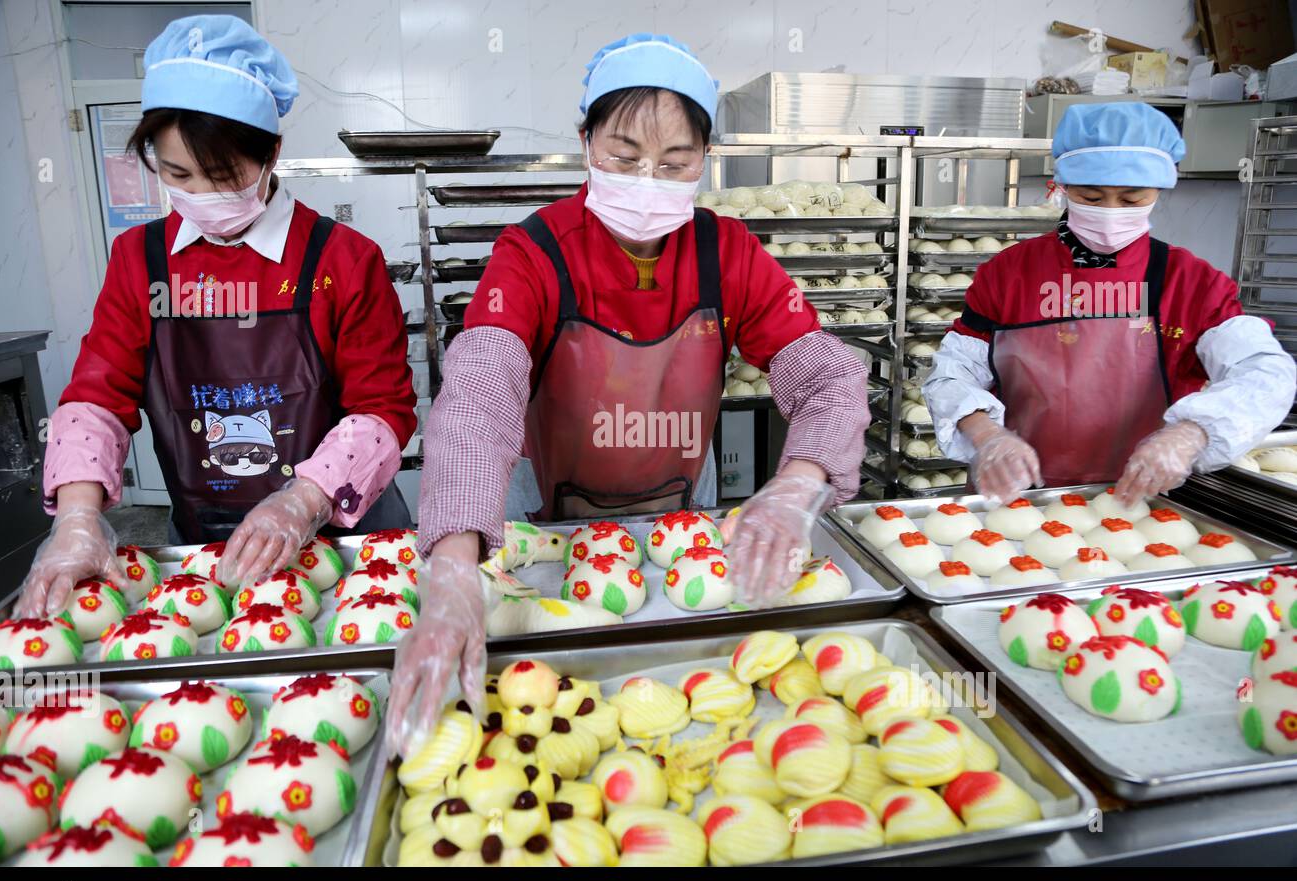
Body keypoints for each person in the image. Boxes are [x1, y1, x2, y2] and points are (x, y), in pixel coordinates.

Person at [388, 34, 869, 753]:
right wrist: (454, 562)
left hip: (678, 514)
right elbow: (480, 393)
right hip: (542, 525)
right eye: (622, 157)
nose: (648, 180)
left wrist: (799, 483)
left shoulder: (728, 251)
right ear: (585, 142)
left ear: (704, 160)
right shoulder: (536, 251)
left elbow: (829, 375)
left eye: (675, 163)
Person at [16, 15, 416, 618]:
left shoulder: (342, 259)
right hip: (206, 541)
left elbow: (382, 408)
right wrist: (76, 517)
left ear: (272, 153)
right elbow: (98, 396)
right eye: (177, 174)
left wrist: (301, 500)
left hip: (344, 541)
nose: (200, 193)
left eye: (223, 175)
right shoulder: (140, 260)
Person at [924, 102, 1296, 507]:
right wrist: (987, 436)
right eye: (1092, 197)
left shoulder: (1191, 282)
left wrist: (1191, 434)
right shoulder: (1009, 273)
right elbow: (954, 372)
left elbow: (1265, 373)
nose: (1110, 213)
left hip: (1144, 499)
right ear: (1062, 186)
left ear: (1158, 192)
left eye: (1131, 199)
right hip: (1017, 492)